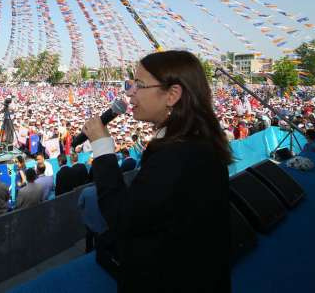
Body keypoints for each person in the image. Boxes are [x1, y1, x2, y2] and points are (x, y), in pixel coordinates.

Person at [83, 51, 231, 292]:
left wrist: (102, 147)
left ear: (172, 95)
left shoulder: (175, 155)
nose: (129, 93)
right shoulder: (198, 139)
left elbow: (122, 218)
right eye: (130, 84)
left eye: (138, 85)